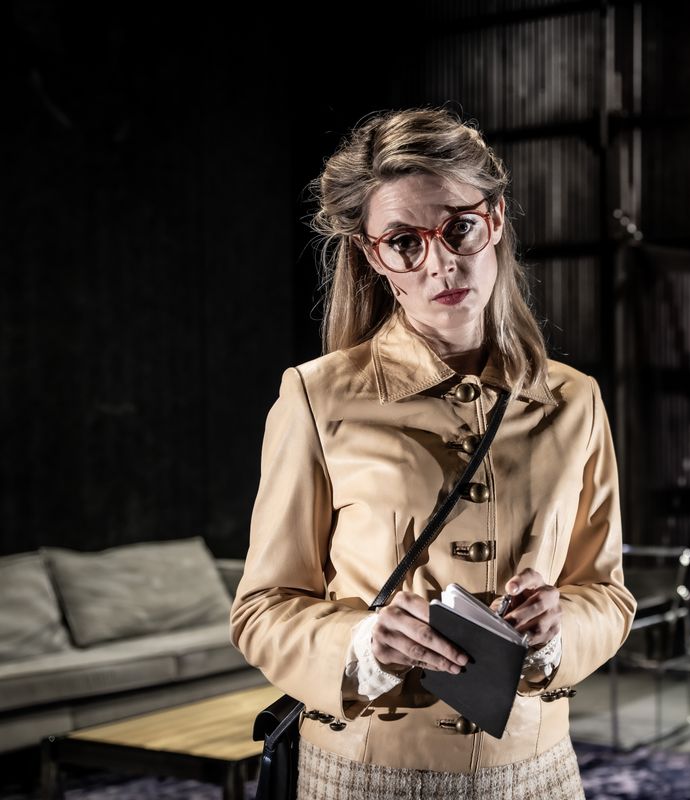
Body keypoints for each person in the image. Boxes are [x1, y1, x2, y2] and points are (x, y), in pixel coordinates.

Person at [230, 108, 635, 800]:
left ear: (494, 221)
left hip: (534, 773)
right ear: (373, 256)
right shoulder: (316, 397)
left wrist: (560, 626)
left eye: (458, 229)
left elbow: (608, 593)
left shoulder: (575, 401)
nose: (441, 263)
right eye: (403, 243)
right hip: (367, 774)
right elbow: (262, 609)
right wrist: (363, 644)